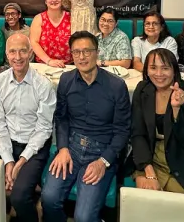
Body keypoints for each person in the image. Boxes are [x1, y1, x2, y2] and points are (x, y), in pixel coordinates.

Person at [41, 31, 131, 222]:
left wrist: (103, 162)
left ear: (97, 52)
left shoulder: (116, 86)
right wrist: (63, 148)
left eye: (87, 51)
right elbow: (61, 118)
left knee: (83, 217)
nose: (82, 57)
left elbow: (122, 130)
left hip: (101, 152)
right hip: (71, 148)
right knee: (48, 199)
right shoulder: (66, 80)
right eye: (76, 52)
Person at [131, 48, 184, 196]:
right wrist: (148, 171)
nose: (159, 74)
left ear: (174, 70)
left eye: (165, 68)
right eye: (153, 68)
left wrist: (177, 110)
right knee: (145, 198)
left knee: (180, 204)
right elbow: (138, 133)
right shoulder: (143, 89)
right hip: (150, 156)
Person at [0, 34, 56, 222]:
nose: (18, 57)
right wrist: (8, 160)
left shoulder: (44, 85)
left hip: (34, 147)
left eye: (22, 51)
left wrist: (20, 161)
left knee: (19, 197)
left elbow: (44, 129)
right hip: (7, 142)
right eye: (12, 52)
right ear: (6, 54)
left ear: (30, 53)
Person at [30, 0, 72, 67]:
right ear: (45, 1)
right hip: (44, 64)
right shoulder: (39, 18)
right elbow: (34, 42)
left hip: (68, 65)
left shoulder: (71, 17)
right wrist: (49, 61)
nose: (54, 0)